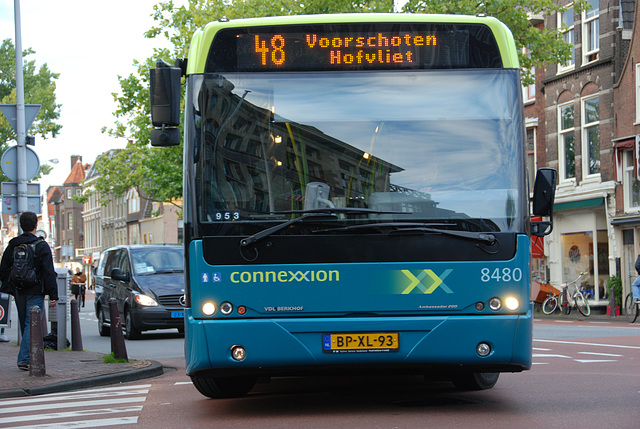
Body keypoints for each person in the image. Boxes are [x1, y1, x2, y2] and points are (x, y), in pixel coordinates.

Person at [0, 212, 58, 371]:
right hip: (35, 290)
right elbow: (48, 271)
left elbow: (3, 269)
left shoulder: (13, 244)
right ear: (35, 226)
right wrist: (53, 295)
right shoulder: (41, 246)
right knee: (31, 325)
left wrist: (9, 287)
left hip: (18, 291)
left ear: (21, 226)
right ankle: (25, 359)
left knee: (26, 325)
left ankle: (28, 356)